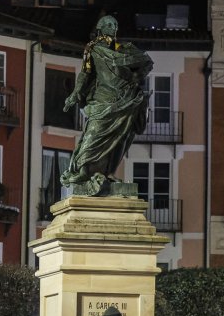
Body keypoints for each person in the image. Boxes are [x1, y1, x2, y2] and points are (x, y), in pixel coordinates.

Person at [60, 15, 154, 195]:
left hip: (126, 100)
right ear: (100, 28)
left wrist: (137, 75)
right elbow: (85, 74)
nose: (114, 27)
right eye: (109, 24)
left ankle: (107, 172)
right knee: (93, 135)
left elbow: (146, 63)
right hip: (103, 100)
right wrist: (75, 93)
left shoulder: (125, 49)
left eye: (115, 25)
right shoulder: (93, 49)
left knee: (121, 137)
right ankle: (84, 169)